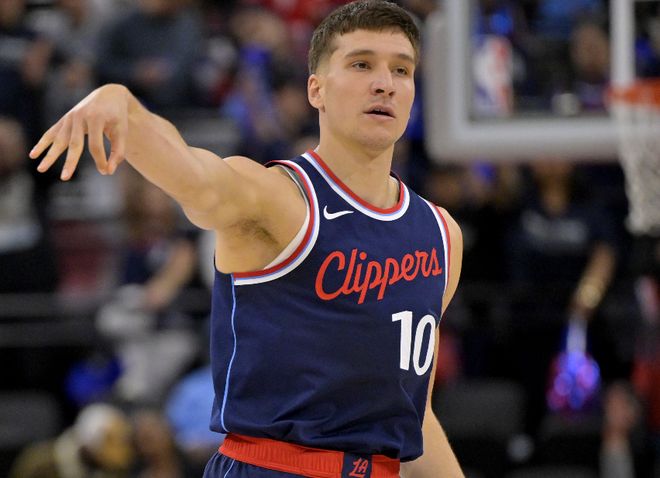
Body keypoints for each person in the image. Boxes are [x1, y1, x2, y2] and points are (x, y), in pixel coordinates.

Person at [29, 1, 465, 477]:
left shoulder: (440, 234)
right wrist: (123, 105)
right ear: (316, 89)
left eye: (401, 69)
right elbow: (194, 176)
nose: (384, 83)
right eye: (361, 64)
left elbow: (416, 414)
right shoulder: (275, 197)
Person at [9, 403, 134, 478]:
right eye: (114, 441)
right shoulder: (38, 464)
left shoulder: (115, 470)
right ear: (92, 443)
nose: (124, 450)